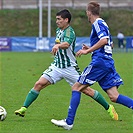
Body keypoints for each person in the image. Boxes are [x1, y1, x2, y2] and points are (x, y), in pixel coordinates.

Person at [15, 9, 117, 120]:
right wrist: (56, 47)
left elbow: (67, 44)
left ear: (66, 20)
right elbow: (60, 43)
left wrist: (58, 46)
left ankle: (108, 107)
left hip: (70, 68)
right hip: (57, 66)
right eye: (56, 19)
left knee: (87, 90)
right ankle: (23, 109)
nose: (57, 21)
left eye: (59, 19)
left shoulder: (70, 32)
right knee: (39, 84)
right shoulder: (58, 30)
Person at [51, 2, 133, 130]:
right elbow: (109, 45)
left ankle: (69, 122)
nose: (87, 15)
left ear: (88, 12)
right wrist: (92, 48)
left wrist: (87, 51)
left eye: (86, 12)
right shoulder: (103, 23)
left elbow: (104, 41)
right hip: (107, 62)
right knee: (114, 96)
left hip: (100, 62)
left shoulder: (98, 23)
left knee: (76, 87)